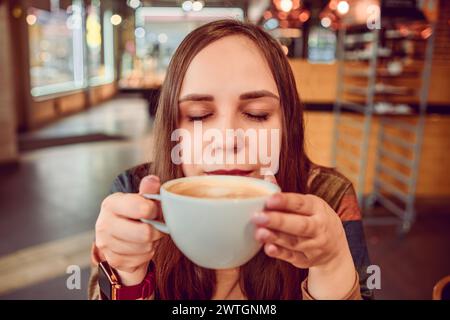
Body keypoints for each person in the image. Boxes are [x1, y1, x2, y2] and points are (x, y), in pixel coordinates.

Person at [89, 19, 373, 300]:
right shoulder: (135, 196)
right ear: (172, 129)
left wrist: (332, 264)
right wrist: (127, 275)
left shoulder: (328, 198)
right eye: (199, 115)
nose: (227, 140)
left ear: (288, 125)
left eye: (257, 113)